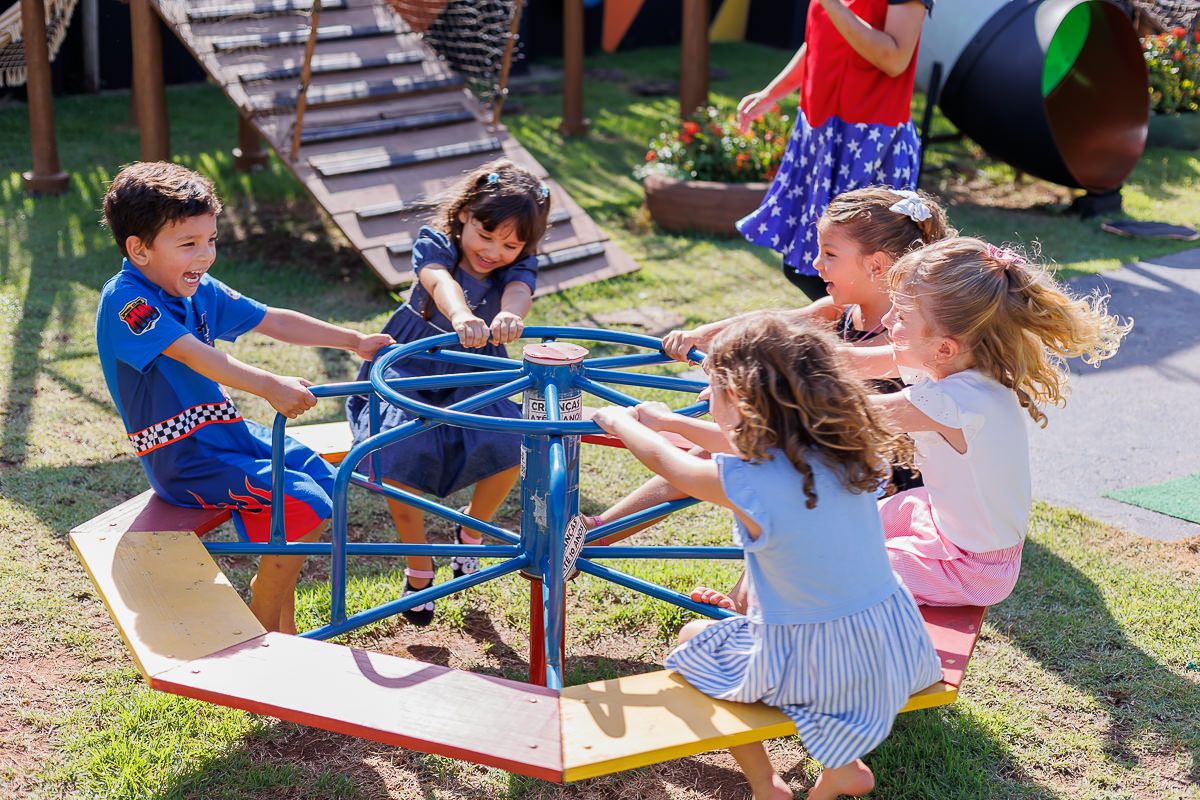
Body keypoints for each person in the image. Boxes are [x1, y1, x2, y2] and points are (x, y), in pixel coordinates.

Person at [592, 314, 942, 800]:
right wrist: (670, 421)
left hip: (814, 658)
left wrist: (621, 421)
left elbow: (669, 464)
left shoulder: (752, 482)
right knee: (792, 640)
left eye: (711, 390)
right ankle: (840, 768)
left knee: (695, 640)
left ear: (736, 398)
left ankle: (766, 783)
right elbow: (747, 447)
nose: (707, 400)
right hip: (896, 644)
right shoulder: (849, 450)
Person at [97, 161, 393, 634]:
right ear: (139, 249)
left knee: (322, 478)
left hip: (227, 435)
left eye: (210, 240)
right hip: (184, 457)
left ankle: (281, 614)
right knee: (306, 504)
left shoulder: (196, 287)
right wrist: (270, 385)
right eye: (188, 244)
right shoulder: (128, 302)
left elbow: (270, 319)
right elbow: (197, 356)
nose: (205, 255)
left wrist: (352, 341)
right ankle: (265, 619)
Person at [584, 186, 950, 541]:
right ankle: (602, 529)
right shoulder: (842, 312)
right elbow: (772, 325)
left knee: (736, 445)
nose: (816, 263)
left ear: (877, 265)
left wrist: (737, 394)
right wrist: (702, 334)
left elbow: (812, 387)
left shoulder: (902, 343)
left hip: (876, 486)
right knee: (731, 446)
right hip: (821, 461)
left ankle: (601, 530)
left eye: (830, 254)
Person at [850, 237, 1131, 606]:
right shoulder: (964, 363)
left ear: (945, 347)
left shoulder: (953, 401)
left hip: (972, 570)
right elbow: (856, 360)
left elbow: (848, 416)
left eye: (900, 316)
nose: (886, 321)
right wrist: (786, 352)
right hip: (935, 518)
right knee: (851, 523)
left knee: (844, 568)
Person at [346, 158, 551, 625]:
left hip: (476, 366)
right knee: (397, 452)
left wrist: (510, 315)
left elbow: (520, 290)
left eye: (510, 244)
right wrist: (461, 316)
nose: (494, 251)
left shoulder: (516, 266)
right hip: (414, 358)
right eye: (486, 235)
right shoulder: (435, 243)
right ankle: (419, 567)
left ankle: (471, 531)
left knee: (509, 441)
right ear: (464, 215)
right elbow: (439, 282)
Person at [735, 0, 934, 301]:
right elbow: (820, 37)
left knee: (855, 276)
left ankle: (856, 341)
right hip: (820, 135)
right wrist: (771, 94)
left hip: (868, 143)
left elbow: (895, 58)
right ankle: (842, 339)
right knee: (806, 269)